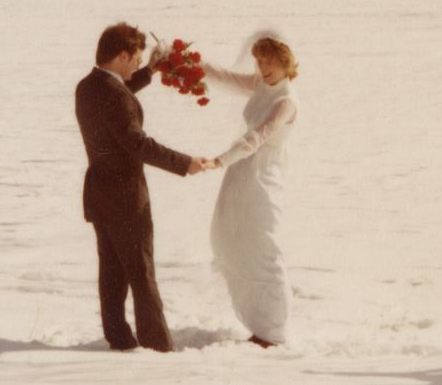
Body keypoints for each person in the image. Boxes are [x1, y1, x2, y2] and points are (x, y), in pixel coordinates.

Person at [75, 22, 214, 353]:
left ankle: (119, 337)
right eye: (136, 58)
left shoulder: (88, 86)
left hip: (99, 192)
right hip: (125, 197)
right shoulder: (114, 95)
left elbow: (120, 96)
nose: (138, 63)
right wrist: (184, 163)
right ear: (123, 55)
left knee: (111, 269)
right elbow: (137, 142)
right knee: (140, 271)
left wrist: (150, 70)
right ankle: (157, 346)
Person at [202, 29, 300, 348]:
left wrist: (221, 160)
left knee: (263, 244)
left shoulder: (286, 101)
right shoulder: (260, 83)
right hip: (241, 173)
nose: (263, 68)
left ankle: (274, 329)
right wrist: (189, 63)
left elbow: (259, 135)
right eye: (259, 62)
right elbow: (225, 77)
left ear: (285, 62)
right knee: (233, 237)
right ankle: (259, 325)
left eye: (270, 62)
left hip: (262, 174)